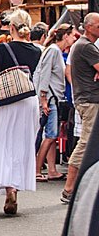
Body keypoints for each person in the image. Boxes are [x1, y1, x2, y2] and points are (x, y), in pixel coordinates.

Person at [0, 9, 41, 215]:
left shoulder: (3, 48)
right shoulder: (38, 50)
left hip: (7, 100)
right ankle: (17, 186)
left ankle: (8, 186)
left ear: (12, 28)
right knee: (23, 143)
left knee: (2, 141)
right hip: (29, 98)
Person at [62, 13, 99, 204]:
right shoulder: (86, 46)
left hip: (87, 99)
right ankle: (69, 189)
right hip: (90, 100)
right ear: (89, 26)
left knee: (89, 142)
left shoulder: (83, 46)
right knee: (86, 143)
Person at [34, 24, 76, 182]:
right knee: (51, 135)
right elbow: (44, 73)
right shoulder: (53, 51)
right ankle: (37, 170)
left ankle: (52, 169)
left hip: (52, 97)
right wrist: (43, 98)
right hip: (50, 98)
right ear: (65, 36)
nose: (73, 38)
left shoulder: (54, 50)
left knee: (52, 135)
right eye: (72, 35)